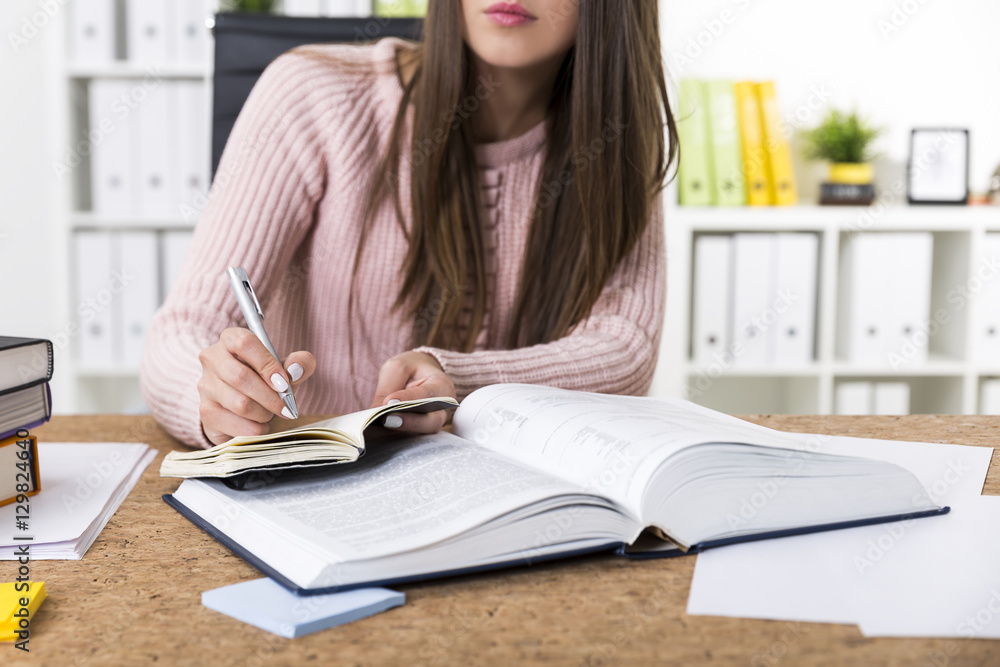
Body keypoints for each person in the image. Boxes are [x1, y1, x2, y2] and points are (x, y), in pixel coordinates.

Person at [139, 0, 678, 449]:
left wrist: (456, 378)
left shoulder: (614, 140)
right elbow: (182, 330)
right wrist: (215, 398)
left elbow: (625, 349)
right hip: (308, 483)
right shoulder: (313, 95)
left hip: (491, 495)